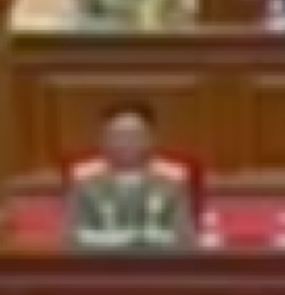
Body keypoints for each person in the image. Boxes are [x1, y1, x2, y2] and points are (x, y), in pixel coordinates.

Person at [66, 104, 194, 249]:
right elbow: (71, 239)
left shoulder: (172, 178)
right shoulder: (84, 178)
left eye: (134, 136)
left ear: (151, 139)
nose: (125, 142)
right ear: (102, 140)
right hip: (100, 265)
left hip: (158, 265)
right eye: (117, 136)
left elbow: (184, 240)